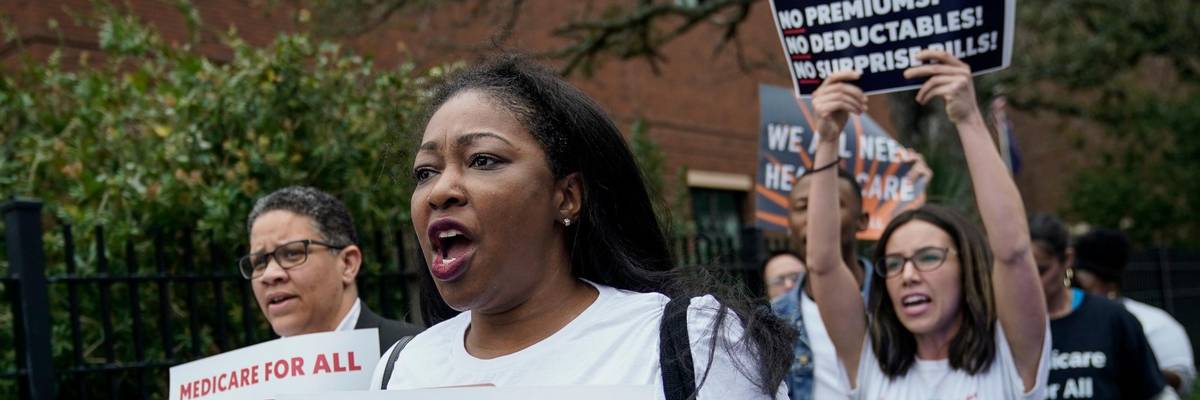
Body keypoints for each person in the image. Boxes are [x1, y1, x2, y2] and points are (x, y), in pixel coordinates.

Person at [369, 55, 792, 399]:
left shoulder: (684, 343)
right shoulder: (400, 370)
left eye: (482, 160)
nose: (439, 190)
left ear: (566, 196)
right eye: (425, 172)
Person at [805, 50, 1050, 399]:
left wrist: (967, 118)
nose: (908, 275)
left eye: (928, 257)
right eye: (893, 263)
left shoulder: (1010, 352)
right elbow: (824, 264)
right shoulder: (870, 360)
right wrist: (827, 139)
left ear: (966, 266)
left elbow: (1012, 250)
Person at [241, 186, 423, 353]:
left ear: (347, 264)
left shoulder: (417, 355)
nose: (270, 274)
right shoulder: (247, 381)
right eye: (259, 262)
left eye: (292, 254)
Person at [1030, 214, 1170, 399]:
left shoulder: (1111, 318)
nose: (1032, 281)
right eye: (1023, 271)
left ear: (1068, 259)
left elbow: (1154, 393)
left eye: (1042, 270)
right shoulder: (999, 327)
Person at [770, 168, 874, 399]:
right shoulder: (772, 319)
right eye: (802, 207)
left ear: (862, 221)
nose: (816, 215)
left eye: (832, 203)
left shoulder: (897, 302)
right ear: (788, 225)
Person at [1074, 228, 1195, 396]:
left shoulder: (1155, 324)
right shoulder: (1058, 322)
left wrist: (1135, 366)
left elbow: (1181, 381)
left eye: (1084, 286)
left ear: (1110, 287)